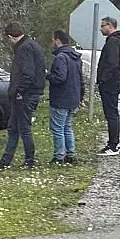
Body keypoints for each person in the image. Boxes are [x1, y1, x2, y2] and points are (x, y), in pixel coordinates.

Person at [0, 22, 45, 170]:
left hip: (25, 95)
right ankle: (6, 159)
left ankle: (30, 160)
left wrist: (19, 91)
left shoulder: (24, 49)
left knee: (24, 128)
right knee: (13, 128)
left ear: (10, 37)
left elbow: (27, 73)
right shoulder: (32, 45)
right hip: (29, 93)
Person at [46, 29, 83, 165]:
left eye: (53, 41)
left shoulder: (60, 57)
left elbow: (60, 78)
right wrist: (81, 96)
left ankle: (59, 156)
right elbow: (80, 79)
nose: (52, 44)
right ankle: (71, 153)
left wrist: (48, 75)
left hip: (61, 98)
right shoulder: (76, 57)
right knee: (67, 127)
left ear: (57, 41)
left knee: (57, 128)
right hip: (73, 97)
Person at [96, 15, 120, 156]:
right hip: (114, 82)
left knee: (111, 114)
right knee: (112, 113)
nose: (101, 28)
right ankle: (114, 143)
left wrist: (103, 79)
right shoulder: (117, 41)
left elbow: (112, 63)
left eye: (103, 26)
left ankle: (113, 144)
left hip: (111, 84)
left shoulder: (113, 42)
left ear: (110, 26)